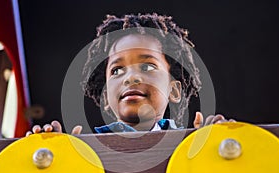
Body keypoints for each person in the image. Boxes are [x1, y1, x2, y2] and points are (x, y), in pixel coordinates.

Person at [27, 13, 230, 135]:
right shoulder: (86, 147)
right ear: (106, 96)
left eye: (147, 67)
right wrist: (59, 154)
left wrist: (211, 144)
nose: (131, 77)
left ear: (174, 90)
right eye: (117, 70)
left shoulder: (190, 142)